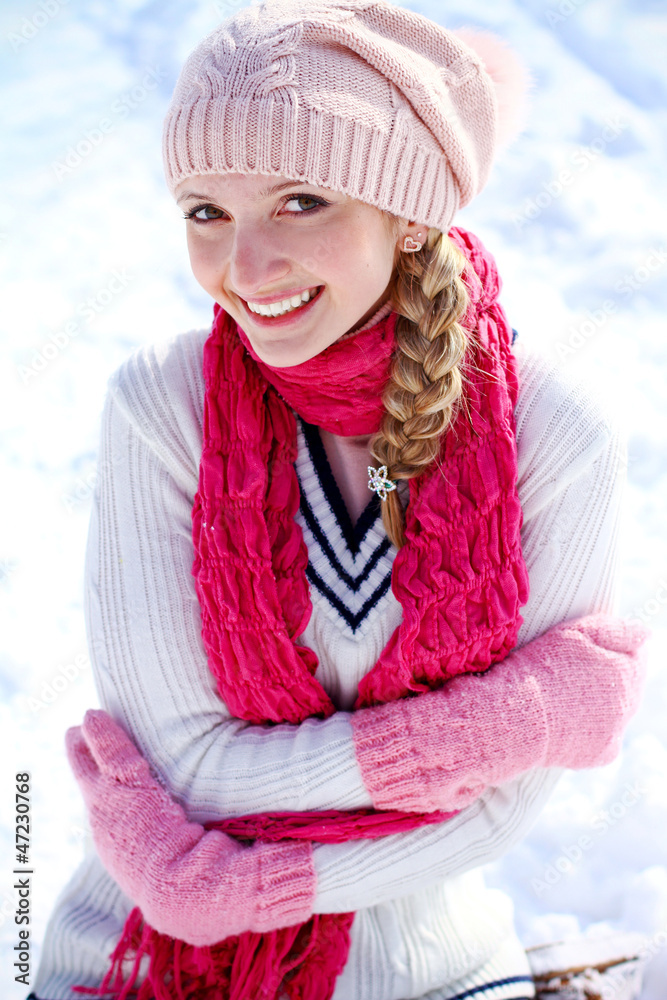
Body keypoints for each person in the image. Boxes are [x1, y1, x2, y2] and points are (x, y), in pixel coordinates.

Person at [30, 2, 647, 999]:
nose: (246, 266)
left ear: (408, 211)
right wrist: (490, 726)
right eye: (206, 212)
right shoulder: (163, 408)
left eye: (301, 201)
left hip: (438, 970)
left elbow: (499, 812)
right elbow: (185, 768)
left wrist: (235, 884)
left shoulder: (556, 434)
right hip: (140, 961)